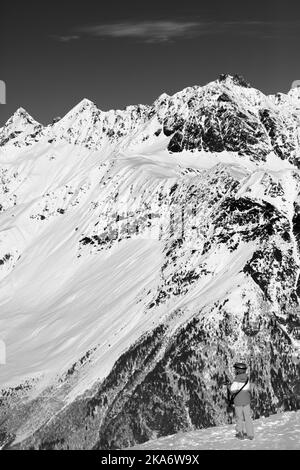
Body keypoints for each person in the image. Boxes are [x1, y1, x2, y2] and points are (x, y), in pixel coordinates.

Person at [230, 362, 254, 440]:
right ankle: (250, 434)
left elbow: (232, 390)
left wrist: (229, 385)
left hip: (238, 402)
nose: (235, 370)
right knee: (248, 417)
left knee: (239, 417)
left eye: (236, 369)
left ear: (239, 370)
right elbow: (247, 388)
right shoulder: (247, 378)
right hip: (246, 401)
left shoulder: (236, 379)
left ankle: (240, 433)